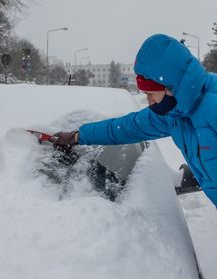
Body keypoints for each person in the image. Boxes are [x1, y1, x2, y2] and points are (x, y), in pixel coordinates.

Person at [50, 34, 217, 207]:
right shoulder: (175, 113)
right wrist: (78, 136)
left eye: (151, 94)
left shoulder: (209, 106)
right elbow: (125, 128)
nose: (150, 102)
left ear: (170, 86)